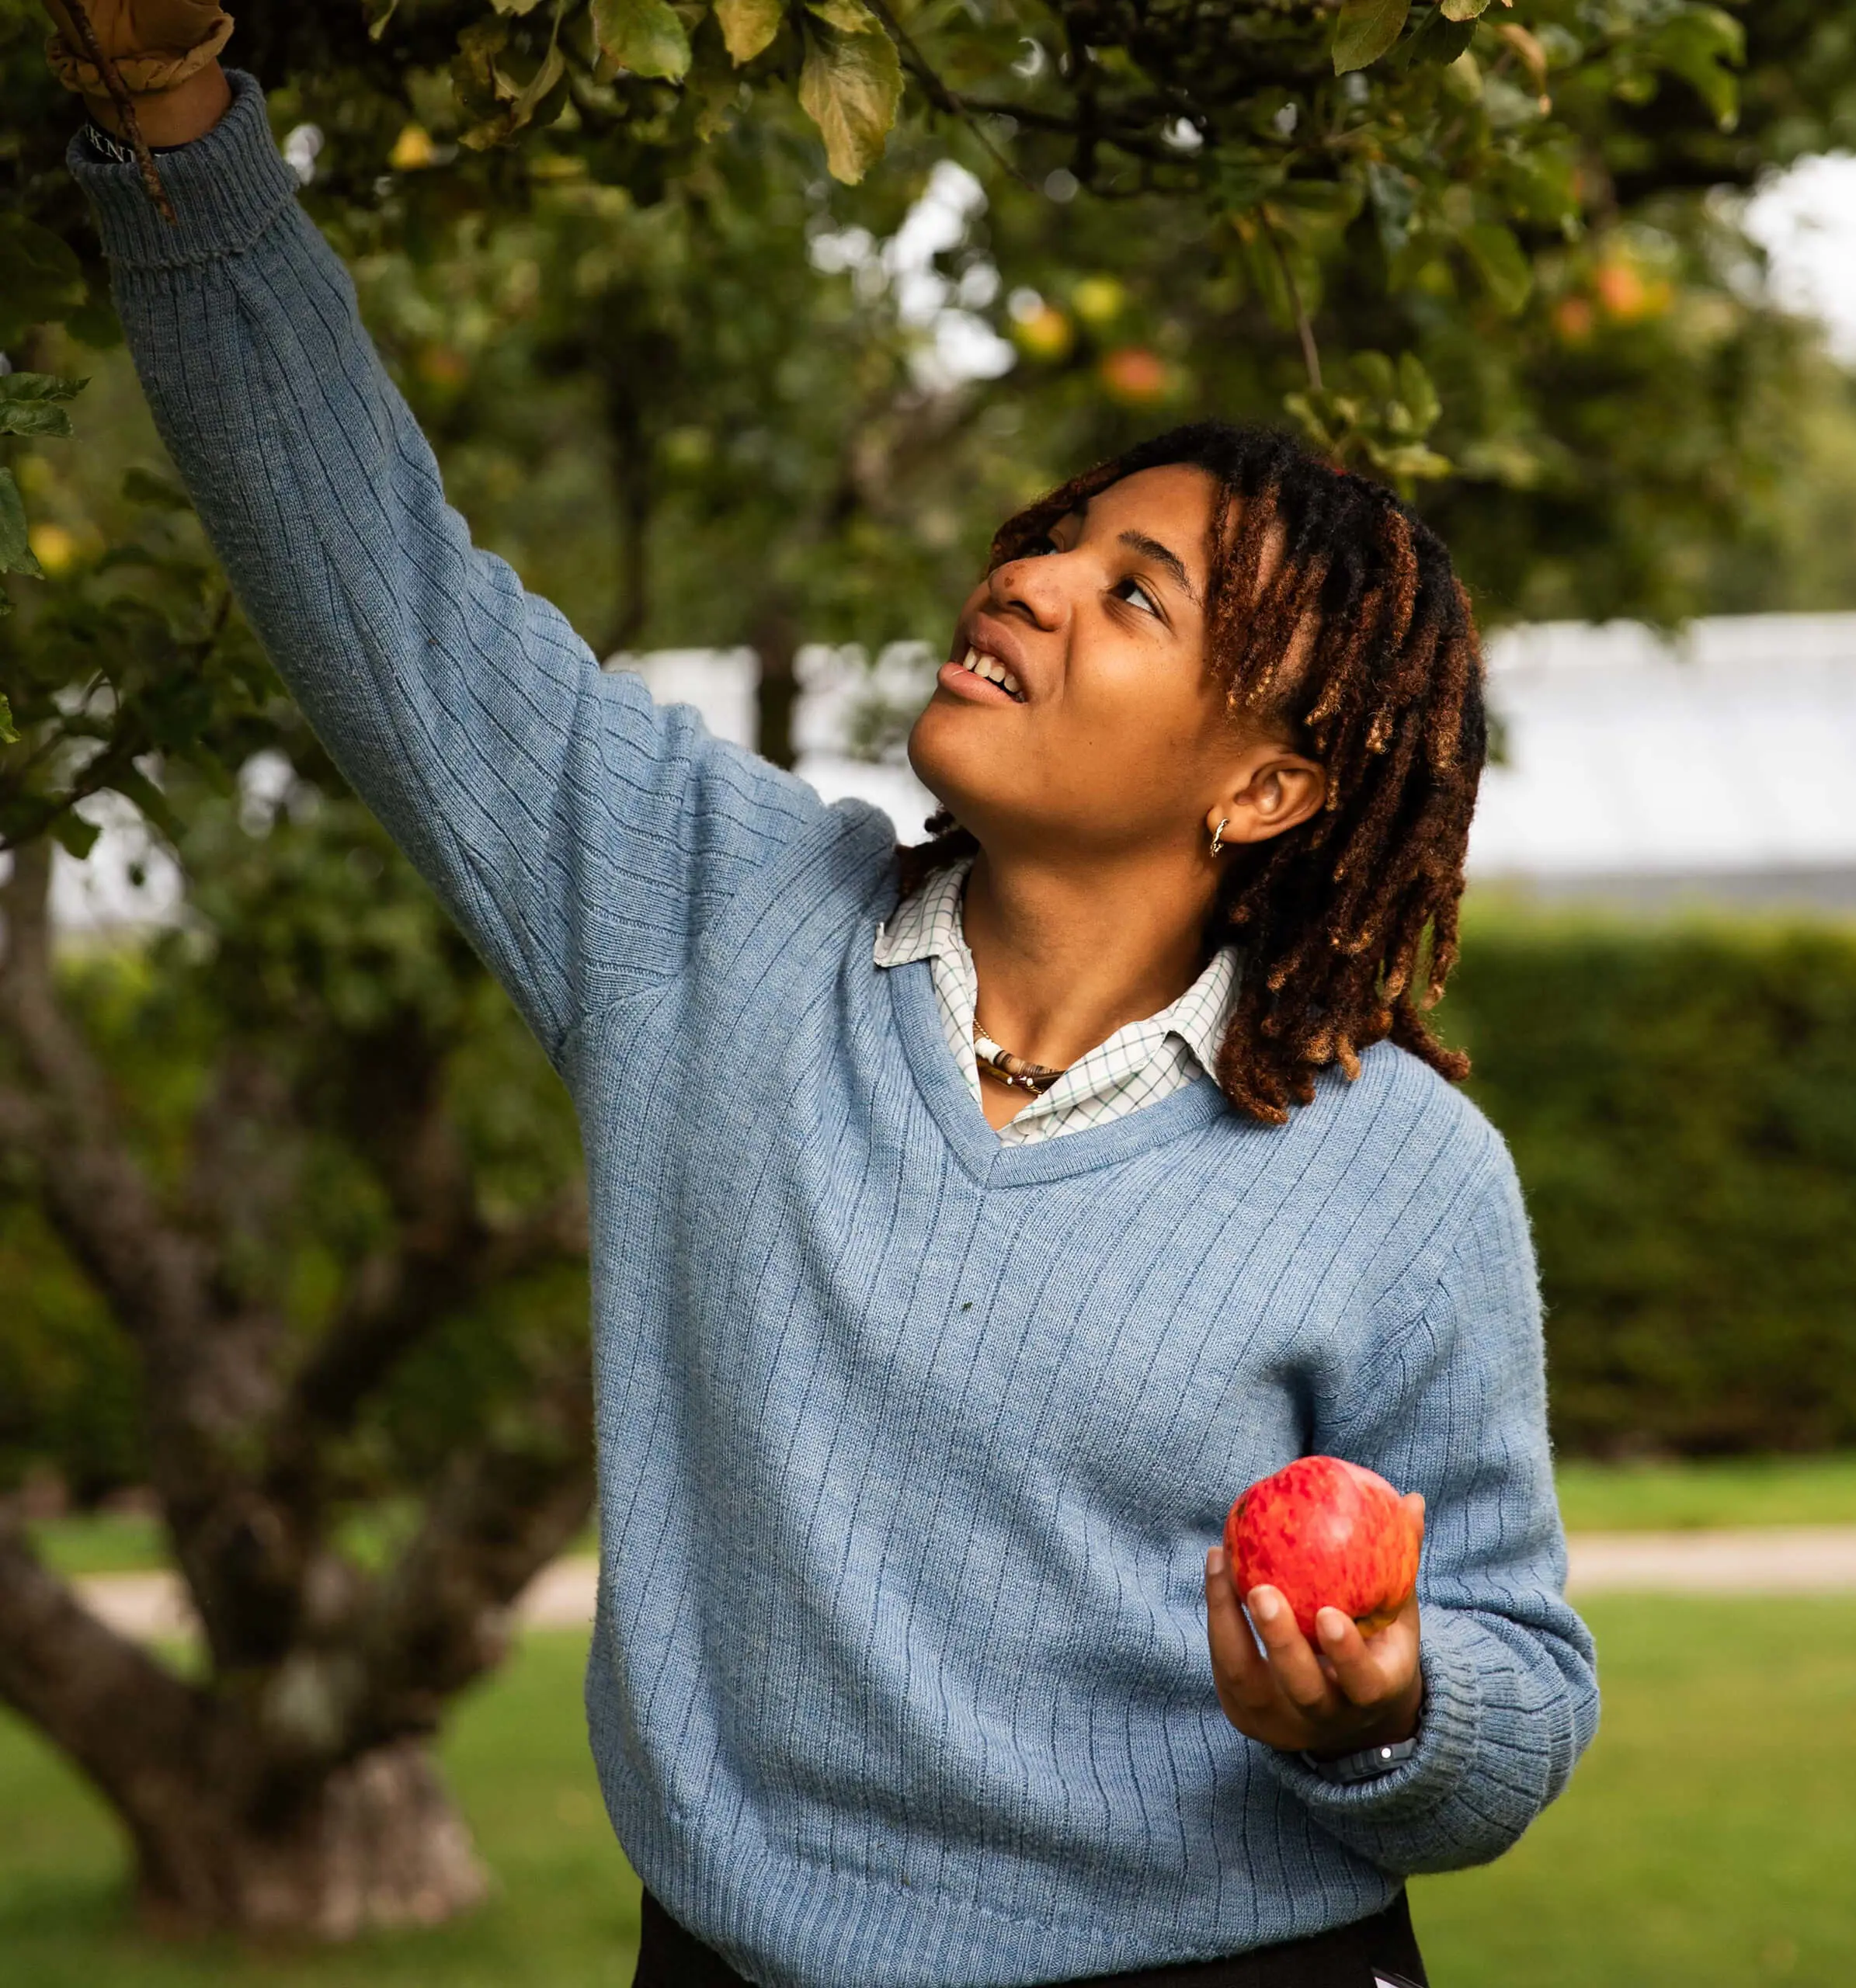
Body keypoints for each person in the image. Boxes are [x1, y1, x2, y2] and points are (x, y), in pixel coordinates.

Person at [45, 8, 1598, 1984]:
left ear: (1266, 785)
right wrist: (170, 121)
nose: (1025, 579)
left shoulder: (1397, 1171)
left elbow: (1519, 1689)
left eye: (1134, 592)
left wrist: (1381, 1709)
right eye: (1052, 534)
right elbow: (377, 576)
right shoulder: (707, 912)